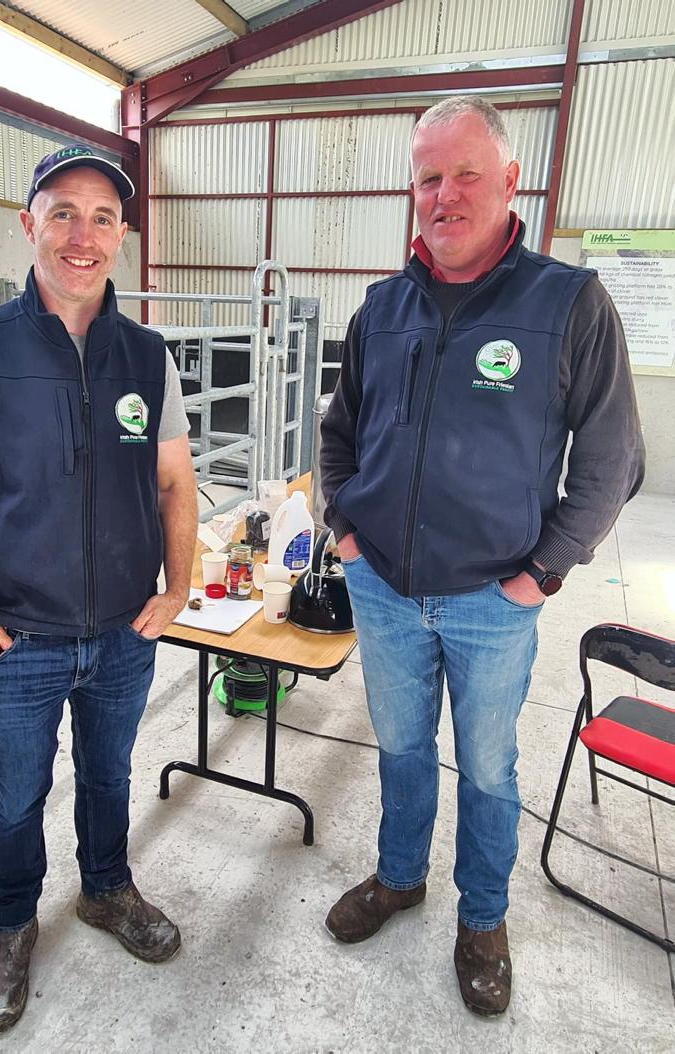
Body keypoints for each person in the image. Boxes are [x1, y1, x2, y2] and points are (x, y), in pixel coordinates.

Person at [319, 96, 644, 1017]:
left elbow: (614, 462)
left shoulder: (567, 303)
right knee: (400, 748)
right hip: (384, 587)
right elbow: (339, 434)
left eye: (466, 173)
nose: (445, 194)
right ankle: (399, 876)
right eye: (429, 177)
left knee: (490, 768)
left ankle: (484, 918)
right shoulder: (381, 308)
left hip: (492, 602)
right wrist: (346, 533)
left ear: (510, 180)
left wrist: (541, 575)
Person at [0, 144, 198, 1034]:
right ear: (28, 224)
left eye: (102, 218)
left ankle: (106, 889)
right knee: (16, 796)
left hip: (122, 632)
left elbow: (175, 482)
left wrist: (176, 589)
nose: (82, 235)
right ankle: (11, 924)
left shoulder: (146, 356)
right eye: (63, 213)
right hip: (16, 636)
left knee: (109, 775)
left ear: (122, 236)